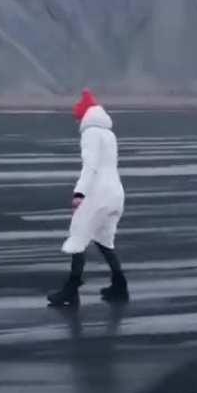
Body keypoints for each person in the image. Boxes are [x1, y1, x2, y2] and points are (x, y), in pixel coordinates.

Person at [47, 90, 129, 307]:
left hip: (98, 193)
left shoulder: (91, 133)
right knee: (104, 240)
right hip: (116, 194)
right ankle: (120, 286)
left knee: (78, 237)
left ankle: (71, 290)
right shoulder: (109, 134)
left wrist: (79, 193)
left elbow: (90, 166)